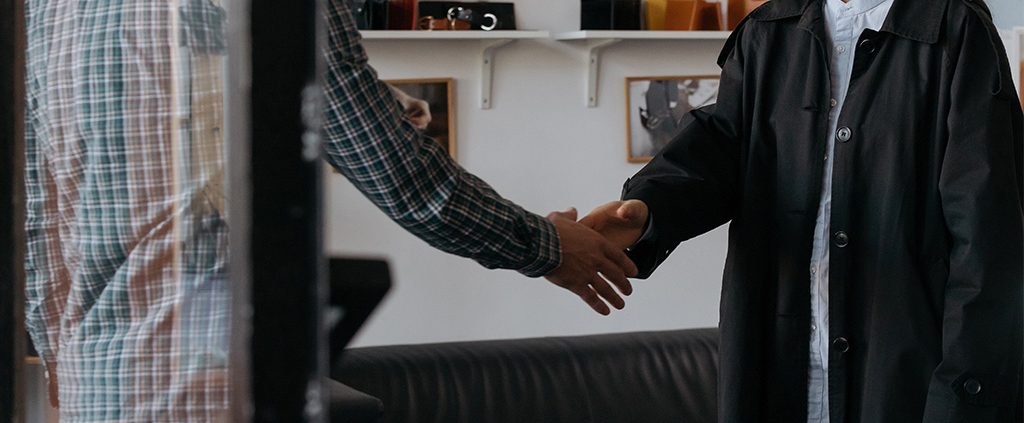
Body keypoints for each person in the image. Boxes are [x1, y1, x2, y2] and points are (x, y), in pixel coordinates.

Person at [23, 0, 634, 421]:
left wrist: (60, 352)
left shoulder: (48, 10)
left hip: (95, 387)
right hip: (217, 382)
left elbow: (35, 206)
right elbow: (402, 176)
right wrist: (548, 246)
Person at [583, 0, 1023, 422]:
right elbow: (721, 148)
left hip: (902, 376)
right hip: (779, 369)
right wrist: (644, 209)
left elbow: (989, 241)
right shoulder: (767, 30)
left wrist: (964, 399)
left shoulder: (954, 30)